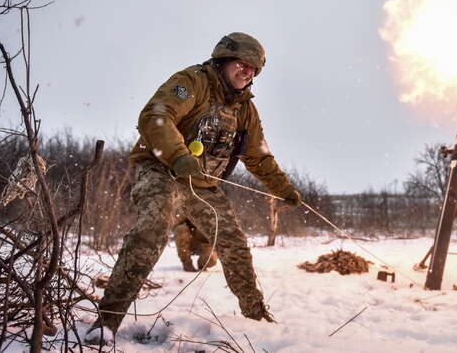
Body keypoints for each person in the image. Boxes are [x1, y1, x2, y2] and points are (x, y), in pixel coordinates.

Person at [85, 32, 302, 345]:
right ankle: (106, 322)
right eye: (242, 64)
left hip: (203, 187)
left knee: (234, 244)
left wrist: (284, 188)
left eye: (254, 70)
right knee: (154, 229)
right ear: (224, 60)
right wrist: (178, 156)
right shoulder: (193, 82)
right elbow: (156, 116)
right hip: (162, 172)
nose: (248, 73)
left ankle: (257, 318)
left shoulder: (245, 111)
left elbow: (259, 156)